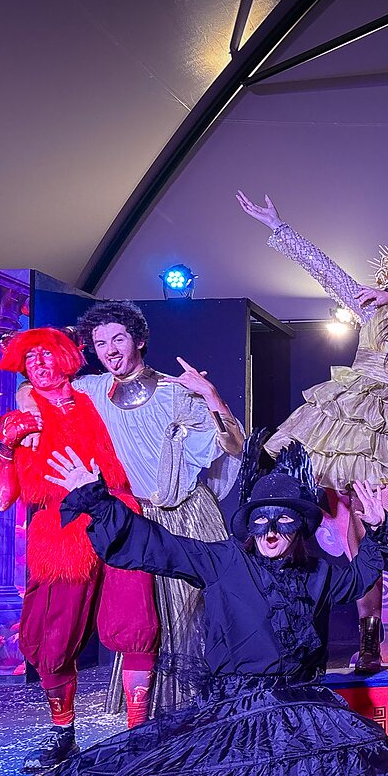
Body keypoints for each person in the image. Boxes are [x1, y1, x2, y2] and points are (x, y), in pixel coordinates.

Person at [0, 440, 388, 776]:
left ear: (299, 527)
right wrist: (99, 502)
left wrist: (377, 532)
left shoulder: (317, 572)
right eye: (261, 522)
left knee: (369, 771)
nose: (272, 532)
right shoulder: (223, 559)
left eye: (283, 521)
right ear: (251, 528)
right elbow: (159, 546)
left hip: (299, 707)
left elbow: (355, 580)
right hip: (236, 710)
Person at [237, 191, 388, 673]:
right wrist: (280, 227)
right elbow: (327, 272)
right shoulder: (377, 311)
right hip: (355, 421)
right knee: (359, 533)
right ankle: (371, 637)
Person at [0, 328, 158, 768]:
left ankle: (137, 737)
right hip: (58, 528)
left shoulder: (96, 394)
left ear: (66, 357)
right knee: (52, 637)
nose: (38, 364)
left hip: (115, 513)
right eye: (29, 358)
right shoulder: (19, 417)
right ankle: (64, 734)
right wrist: (4, 446)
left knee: (135, 621)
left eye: (46, 353)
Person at [68, 299, 244, 719]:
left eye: (118, 338)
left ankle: (200, 712)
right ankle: (146, 717)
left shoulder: (174, 392)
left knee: (191, 615)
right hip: (138, 519)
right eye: (100, 342)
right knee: (144, 622)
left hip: (187, 515)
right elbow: (47, 392)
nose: (109, 349)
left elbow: (233, 445)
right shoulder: (93, 390)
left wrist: (211, 395)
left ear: (140, 340)